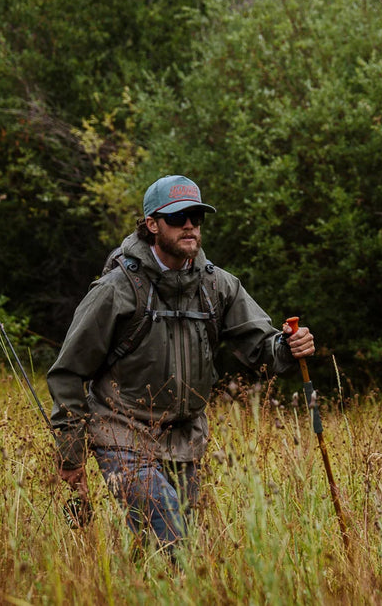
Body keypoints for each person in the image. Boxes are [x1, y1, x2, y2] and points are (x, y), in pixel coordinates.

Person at [47, 174, 314, 548]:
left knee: (169, 553)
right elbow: (68, 373)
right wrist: (71, 453)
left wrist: (288, 346)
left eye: (196, 216)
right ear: (152, 224)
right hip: (122, 434)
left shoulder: (219, 286)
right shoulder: (116, 289)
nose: (189, 224)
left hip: (186, 441)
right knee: (176, 541)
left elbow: (262, 350)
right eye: (177, 217)